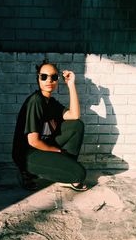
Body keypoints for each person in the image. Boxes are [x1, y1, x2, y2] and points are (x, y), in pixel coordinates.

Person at [12, 59, 87, 191]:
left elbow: (74, 115)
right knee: (80, 174)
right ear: (38, 78)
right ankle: (27, 173)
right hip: (28, 154)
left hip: (43, 146)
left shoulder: (50, 102)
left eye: (53, 77)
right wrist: (57, 151)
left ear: (57, 80)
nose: (49, 80)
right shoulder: (36, 101)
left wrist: (71, 85)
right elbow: (33, 142)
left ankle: (65, 172)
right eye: (44, 76)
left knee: (76, 126)